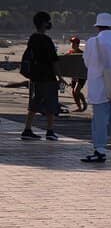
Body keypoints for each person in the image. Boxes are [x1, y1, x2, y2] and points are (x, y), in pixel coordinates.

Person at [81, 12, 111, 162]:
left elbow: (87, 62)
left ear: (98, 26)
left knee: (100, 120)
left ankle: (100, 150)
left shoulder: (91, 42)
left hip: (98, 85)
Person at [21, 11, 64, 140]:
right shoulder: (46, 40)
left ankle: (27, 129)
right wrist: (60, 76)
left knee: (34, 103)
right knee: (51, 103)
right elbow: (53, 61)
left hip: (35, 76)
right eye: (48, 21)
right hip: (47, 76)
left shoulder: (33, 38)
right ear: (44, 23)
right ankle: (50, 131)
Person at [66, 36, 87, 112]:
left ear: (77, 44)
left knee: (76, 91)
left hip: (81, 75)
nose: (72, 44)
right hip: (74, 75)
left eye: (74, 43)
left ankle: (84, 103)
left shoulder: (82, 53)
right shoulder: (70, 52)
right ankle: (79, 107)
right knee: (74, 92)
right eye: (71, 43)